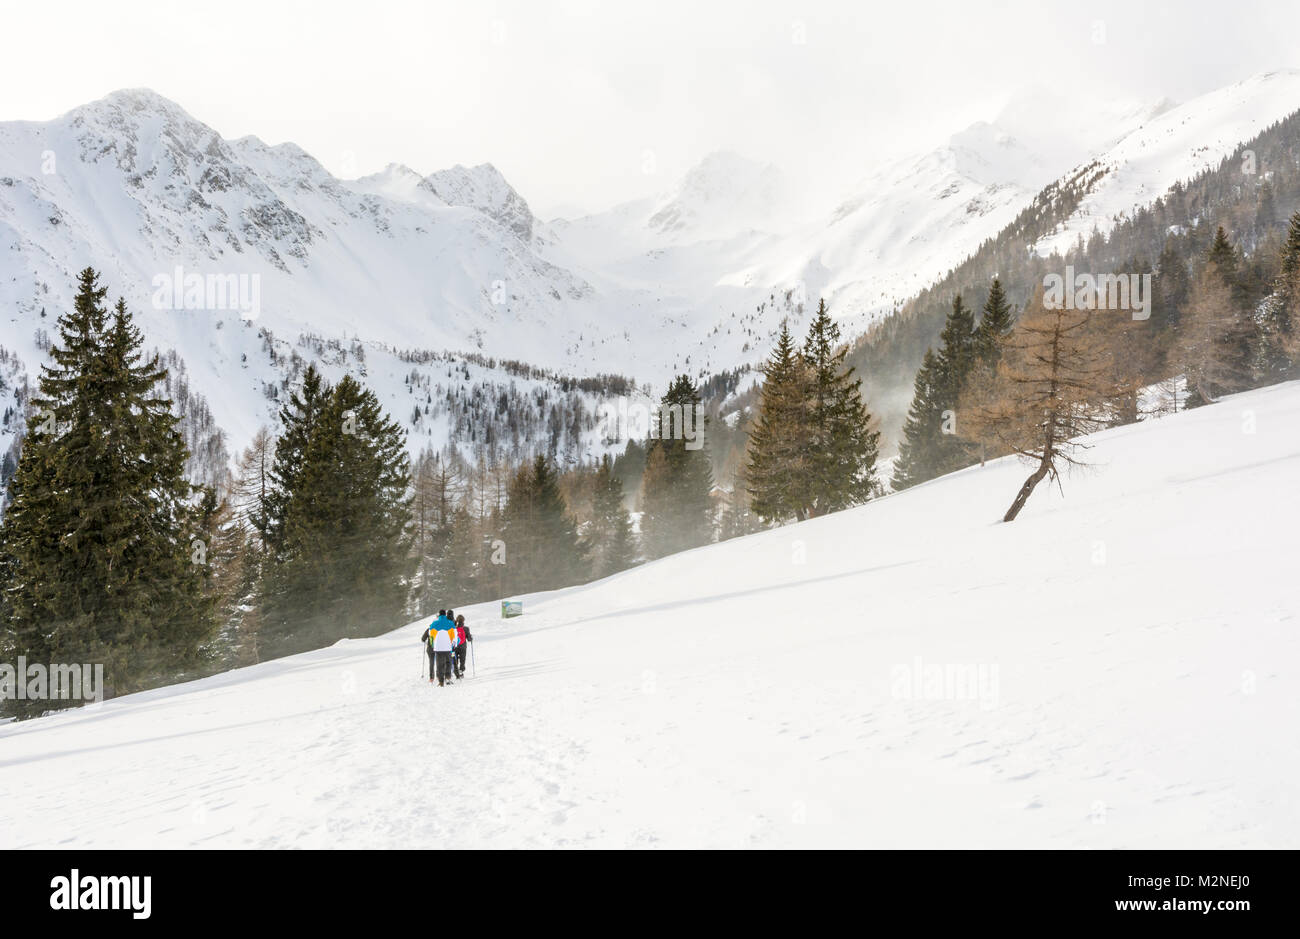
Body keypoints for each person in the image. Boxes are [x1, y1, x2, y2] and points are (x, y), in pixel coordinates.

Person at [424, 611, 456, 687]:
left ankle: (441, 681)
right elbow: (454, 636)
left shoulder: (434, 624)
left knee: (439, 664)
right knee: (448, 663)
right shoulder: (450, 623)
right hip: (448, 647)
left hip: (438, 648)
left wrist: (432, 645)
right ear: (445, 614)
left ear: (439, 615)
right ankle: (448, 677)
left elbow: (431, 636)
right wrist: (453, 644)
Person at [454, 613, 472, 678]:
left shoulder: (454, 628)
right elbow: (469, 639)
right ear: (463, 620)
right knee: (462, 659)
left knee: (455, 659)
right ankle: (461, 670)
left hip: (455, 646)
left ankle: (456, 672)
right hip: (463, 646)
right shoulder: (466, 628)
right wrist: (471, 637)